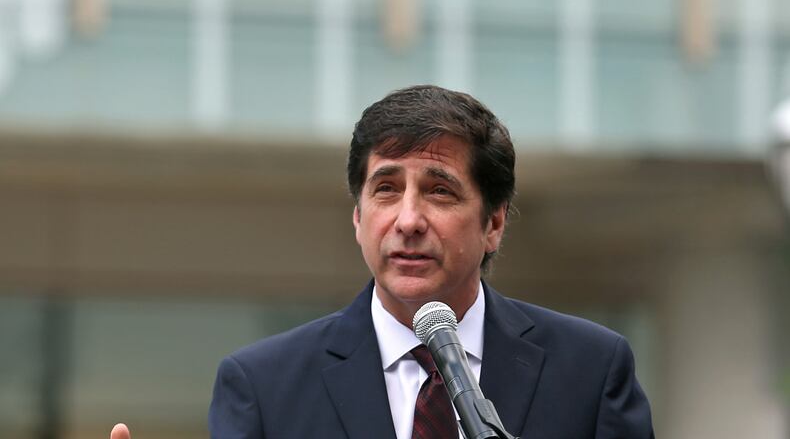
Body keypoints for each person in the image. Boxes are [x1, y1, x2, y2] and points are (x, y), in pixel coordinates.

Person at [111, 85, 654, 439]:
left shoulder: (590, 371)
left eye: (439, 191)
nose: (408, 220)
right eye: (386, 189)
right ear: (358, 217)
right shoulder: (263, 387)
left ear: (494, 223)